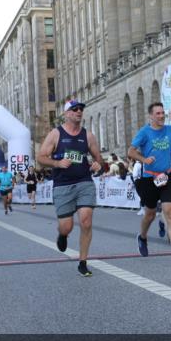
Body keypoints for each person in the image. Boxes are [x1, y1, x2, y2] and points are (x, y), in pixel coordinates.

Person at [36, 99, 103, 277]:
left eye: (80, 109)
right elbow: (41, 158)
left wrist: (98, 164)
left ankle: (83, 262)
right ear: (66, 114)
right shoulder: (55, 134)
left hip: (84, 182)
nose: (79, 112)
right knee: (67, 227)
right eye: (74, 109)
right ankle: (62, 235)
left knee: (86, 221)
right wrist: (57, 162)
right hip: (63, 185)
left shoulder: (88, 136)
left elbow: (99, 158)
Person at [128, 102, 171, 265]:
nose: (161, 116)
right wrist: (144, 159)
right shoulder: (144, 132)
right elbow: (131, 151)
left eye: (163, 113)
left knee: (170, 211)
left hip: (167, 176)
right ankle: (142, 237)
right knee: (150, 214)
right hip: (149, 178)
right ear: (151, 116)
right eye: (158, 114)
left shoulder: (170, 129)